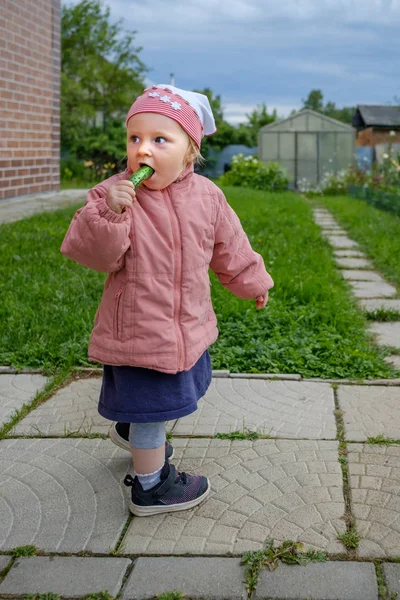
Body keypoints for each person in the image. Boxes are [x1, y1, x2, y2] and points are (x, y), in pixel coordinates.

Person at [60, 84, 274, 517]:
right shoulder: (113, 195)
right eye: (135, 138)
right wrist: (110, 214)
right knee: (155, 406)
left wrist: (253, 281)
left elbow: (230, 247)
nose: (143, 150)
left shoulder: (208, 197)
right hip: (139, 331)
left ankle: (132, 427)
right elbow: (91, 253)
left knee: (169, 395)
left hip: (186, 325)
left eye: (160, 139)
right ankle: (151, 487)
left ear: (189, 152)